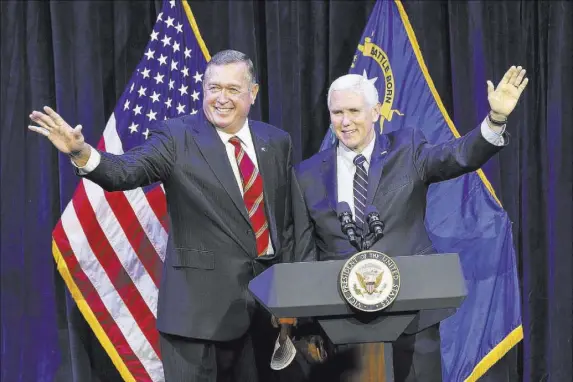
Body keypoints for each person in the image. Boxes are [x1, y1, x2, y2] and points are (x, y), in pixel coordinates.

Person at [29, 50, 293, 382]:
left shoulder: (276, 141)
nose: (221, 99)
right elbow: (125, 171)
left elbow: (286, 222)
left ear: (252, 93)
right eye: (213, 88)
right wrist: (83, 153)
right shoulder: (175, 137)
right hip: (197, 320)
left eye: (232, 89)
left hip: (262, 314)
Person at [289, 66, 528, 381]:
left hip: (412, 316)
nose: (345, 122)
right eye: (337, 113)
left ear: (376, 112)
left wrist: (495, 120)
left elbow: (459, 156)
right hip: (342, 322)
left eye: (353, 111)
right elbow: (305, 253)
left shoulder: (407, 148)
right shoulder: (306, 175)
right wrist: (307, 326)